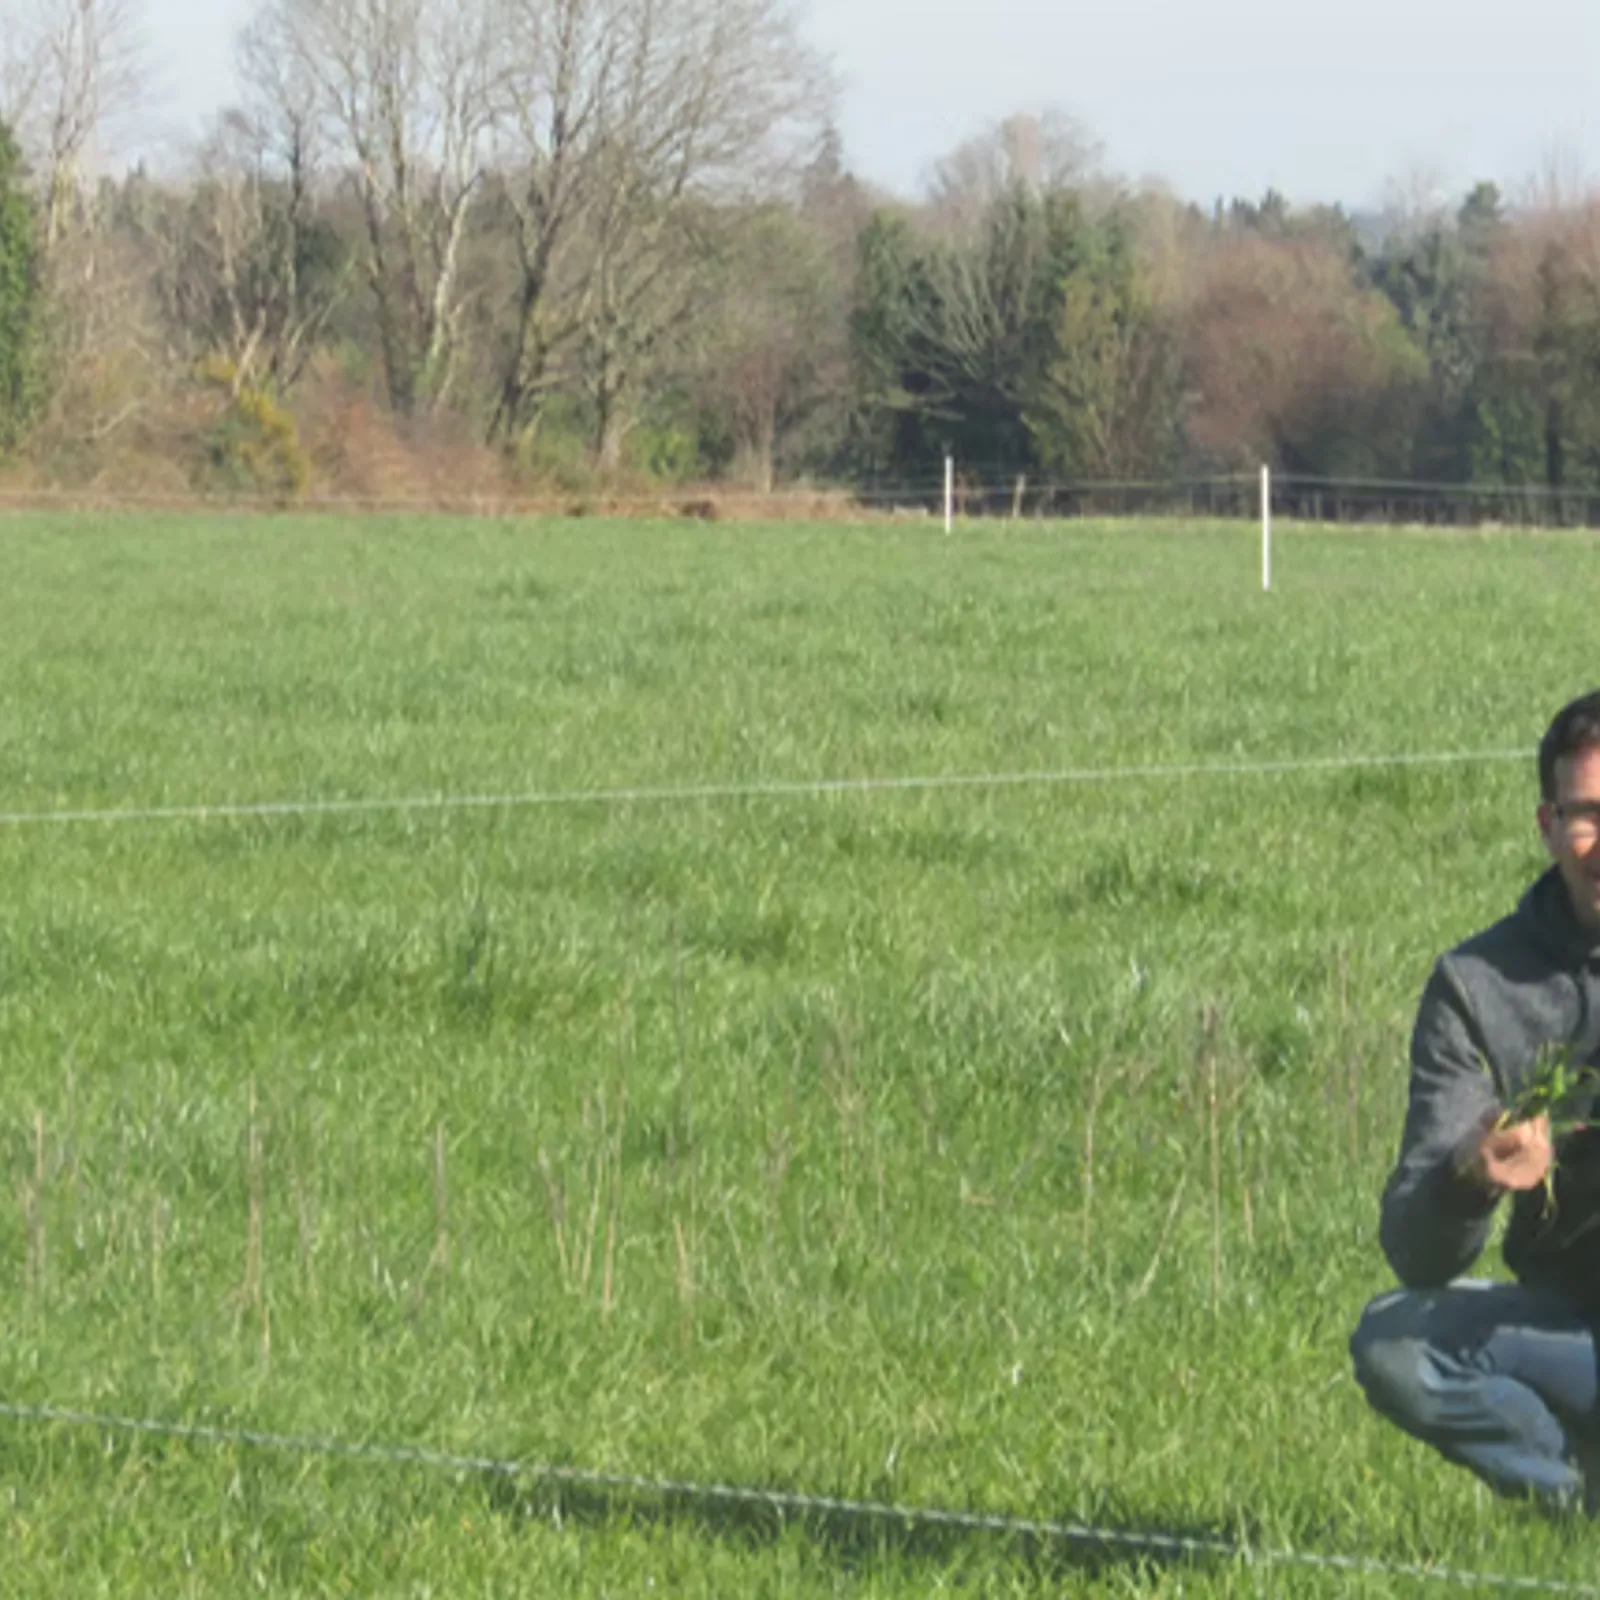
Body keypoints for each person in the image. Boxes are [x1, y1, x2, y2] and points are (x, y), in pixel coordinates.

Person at [1351, 689, 1600, 1513]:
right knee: (1396, 1344)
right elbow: (1418, 1255)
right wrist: (1472, 1171)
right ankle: (1573, 1498)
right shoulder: (1480, 988)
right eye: (1587, 815)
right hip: (1572, 1326)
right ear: (1546, 824)